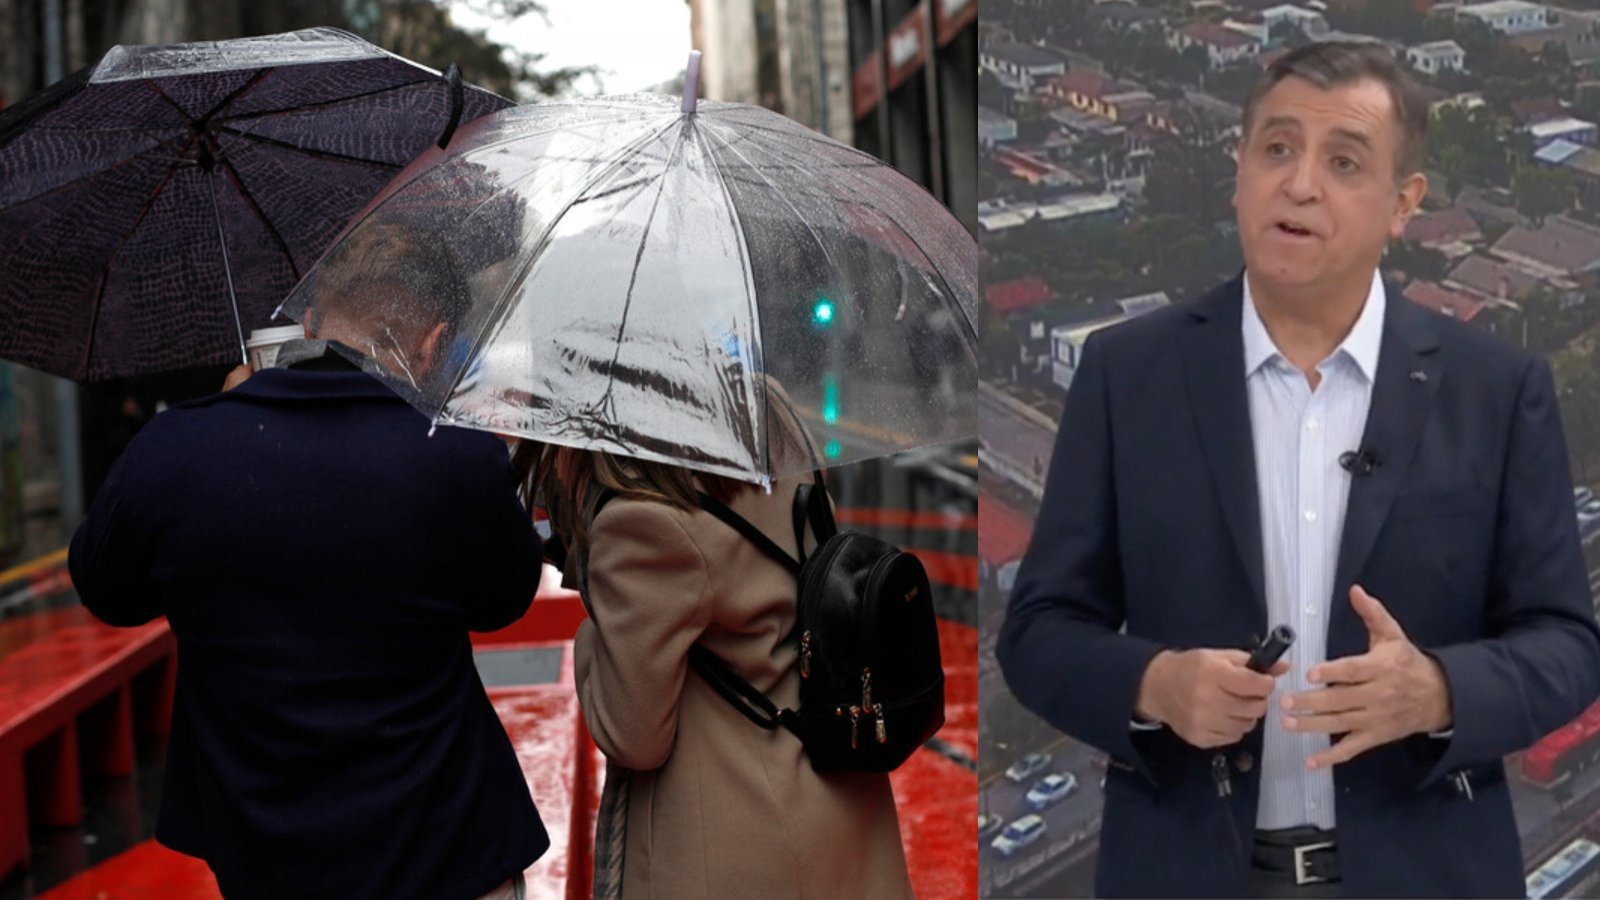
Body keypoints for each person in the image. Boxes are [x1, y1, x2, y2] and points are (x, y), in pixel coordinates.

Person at [998, 42, 1600, 898]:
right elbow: (1036, 632)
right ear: (1239, 173)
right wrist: (1155, 684)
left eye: (1344, 161)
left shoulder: (1496, 390)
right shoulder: (1127, 377)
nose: (1301, 183)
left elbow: (1568, 645)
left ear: (1403, 205)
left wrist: (1437, 690)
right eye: (1276, 149)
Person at [68, 222, 550, 899]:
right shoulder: (457, 459)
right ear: (433, 342)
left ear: (313, 320)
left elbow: (107, 590)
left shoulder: (175, 451)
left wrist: (221, 417)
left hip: (261, 856)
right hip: (445, 849)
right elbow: (504, 600)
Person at [517, 387, 913, 899]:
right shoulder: (766, 409)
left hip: (736, 841)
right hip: (841, 793)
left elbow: (631, 735)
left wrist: (596, 624)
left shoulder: (643, 516)